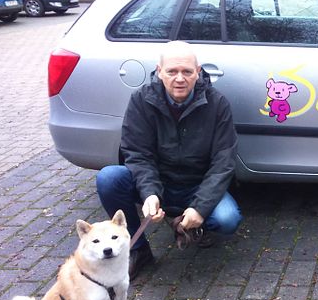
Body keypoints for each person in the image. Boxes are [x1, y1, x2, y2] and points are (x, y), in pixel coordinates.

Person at [96, 41, 242, 278]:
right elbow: (137, 153)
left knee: (227, 219)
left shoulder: (217, 104)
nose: (180, 78)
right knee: (109, 178)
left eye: (187, 71)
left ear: (198, 71)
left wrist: (200, 207)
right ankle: (138, 249)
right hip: (159, 182)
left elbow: (223, 162)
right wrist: (150, 192)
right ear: (159, 71)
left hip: (197, 183)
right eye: (172, 71)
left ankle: (193, 224)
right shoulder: (141, 101)